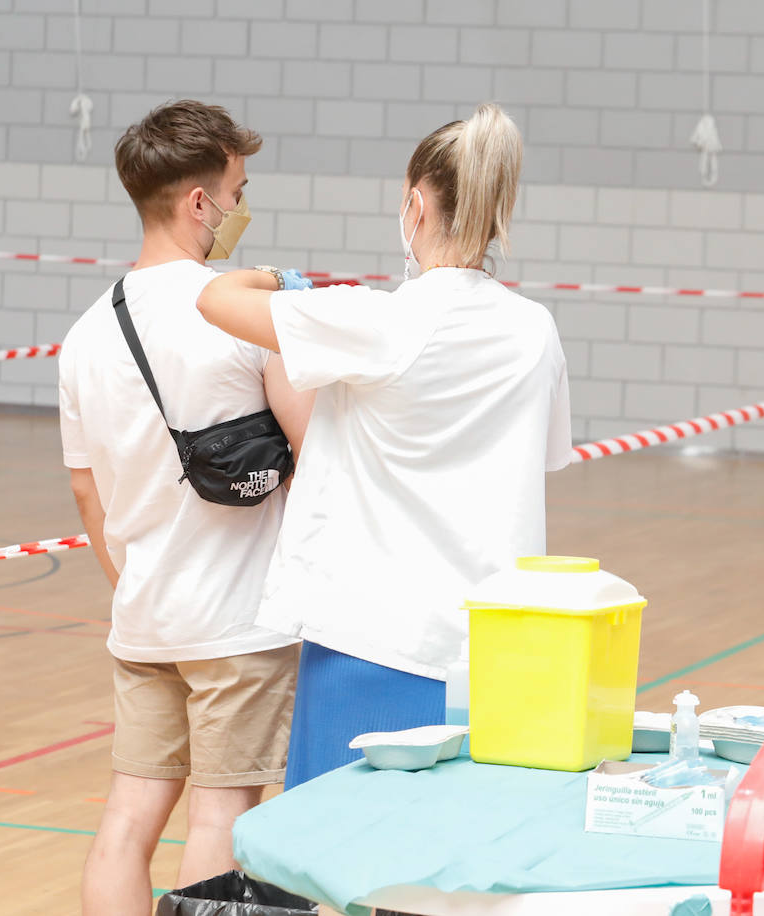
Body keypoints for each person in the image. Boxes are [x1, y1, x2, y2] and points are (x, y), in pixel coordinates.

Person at [196, 102, 572, 787]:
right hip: (491, 647)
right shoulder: (535, 328)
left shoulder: (382, 320)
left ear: (417, 204)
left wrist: (287, 282)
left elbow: (216, 298)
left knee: (337, 857)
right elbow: (538, 458)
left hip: (370, 642)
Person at [58, 100, 315, 916]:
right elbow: (314, 456)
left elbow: (85, 491)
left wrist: (136, 587)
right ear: (198, 202)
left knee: (128, 819)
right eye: (237, 190)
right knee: (223, 811)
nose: (242, 208)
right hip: (239, 621)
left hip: (145, 619)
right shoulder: (242, 319)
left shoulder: (86, 334)